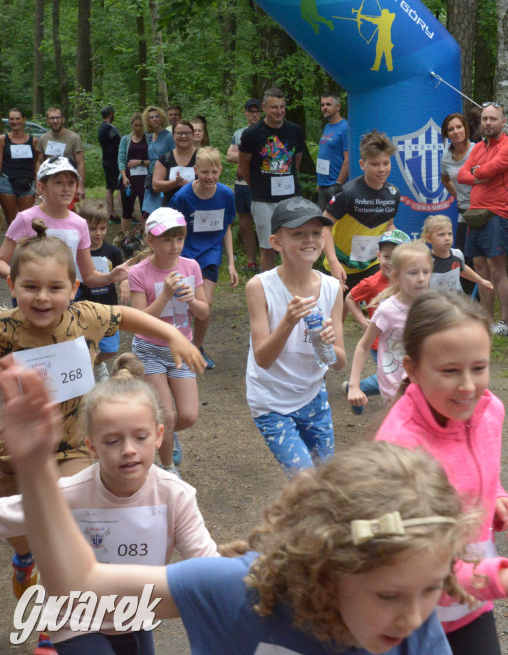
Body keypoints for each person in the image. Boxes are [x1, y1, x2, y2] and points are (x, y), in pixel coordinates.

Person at [0, 370, 470, 655]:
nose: (413, 616)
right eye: (387, 596)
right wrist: (37, 465)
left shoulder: (412, 618)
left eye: (431, 589)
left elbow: (201, 552)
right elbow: (83, 585)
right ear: (330, 564)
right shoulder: (245, 591)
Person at [0, 217, 203, 609]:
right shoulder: (4, 329)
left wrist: (174, 334)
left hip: (74, 446)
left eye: (55, 287)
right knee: (21, 526)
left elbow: (127, 317)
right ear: (12, 287)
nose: (43, 297)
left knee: (64, 529)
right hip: (11, 452)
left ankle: (53, 622)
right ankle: (24, 559)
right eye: (30, 287)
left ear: (74, 288)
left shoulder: (85, 316)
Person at [376, 290, 508, 654]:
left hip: (470, 604)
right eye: (450, 371)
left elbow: (478, 478)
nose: (468, 386)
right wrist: (504, 579)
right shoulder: (400, 447)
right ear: (412, 369)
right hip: (410, 614)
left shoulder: (488, 411)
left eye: (479, 367)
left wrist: (497, 498)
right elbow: (409, 557)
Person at [0, 352, 217, 653]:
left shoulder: (175, 495)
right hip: (75, 619)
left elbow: (210, 567)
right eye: (113, 441)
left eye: (140, 437)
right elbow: (9, 514)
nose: (128, 450)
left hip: (135, 616)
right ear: (91, 446)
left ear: (158, 436)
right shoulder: (72, 492)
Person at [246, 197, 344, 476]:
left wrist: (325, 344)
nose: (309, 240)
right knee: (304, 480)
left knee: (326, 480)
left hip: (314, 397)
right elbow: (262, 358)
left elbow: (339, 363)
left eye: (316, 233)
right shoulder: (259, 287)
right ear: (276, 242)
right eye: (298, 234)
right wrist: (288, 321)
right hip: (271, 402)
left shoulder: (332, 288)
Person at [128, 208, 210, 477]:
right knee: (167, 415)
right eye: (166, 240)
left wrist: (190, 300)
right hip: (148, 350)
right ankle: (168, 469)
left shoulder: (191, 266)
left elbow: (203, 313)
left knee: (187, 416)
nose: (174, 246)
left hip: (181, 348)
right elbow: (138, 319)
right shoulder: (138, 272)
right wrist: (164, 295)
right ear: (150, 240)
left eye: (179, 239)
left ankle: (163, 432)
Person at [0, 157, 128, 290]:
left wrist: (111, 277)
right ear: (42, 187)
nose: (66, 188)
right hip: (30, 298)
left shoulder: (79, 223)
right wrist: (23, 279)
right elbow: (1, 261)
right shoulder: (25, 219)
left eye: (71, 182)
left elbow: (89, 276)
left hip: (64, 298)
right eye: (58, 183)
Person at [169, 146, 239, 370]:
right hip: (186, 255)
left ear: (220, 170)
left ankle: (197, 347)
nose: (210, 177)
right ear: (195, 170)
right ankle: (177, 345)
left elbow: (227, 227)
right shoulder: (182, 197)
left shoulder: (226, 194)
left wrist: (231, 263)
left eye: (214, 172)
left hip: (210, 255)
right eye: (205, 172)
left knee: (205, 304)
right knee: (180, 304)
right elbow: (171, 229)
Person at [456, 103, 508, 336]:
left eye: (493, 119)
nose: (488, 123)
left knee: (497, 269)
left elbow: (486, 171)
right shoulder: (478, 148)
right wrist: (478, 173)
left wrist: (478, 172)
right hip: (475, 214)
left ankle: (506, 323)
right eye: (485, 119)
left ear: (503, 122)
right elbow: (461, 176)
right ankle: (487, 320)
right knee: (480, 268)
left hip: (497, 214)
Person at [347, 242, 431, 411]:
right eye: (413, 272)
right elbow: (363, 346)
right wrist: (354, 386)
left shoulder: (431, 307)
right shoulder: (387, 310)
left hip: (425, 387)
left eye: (426, 271)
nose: (421, 278)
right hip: (395, 391)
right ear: (397, 276)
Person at [238, 87, 308, 272]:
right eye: (274, 107)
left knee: (292, 245)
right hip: (263, 199)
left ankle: (294, 285)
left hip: (290, 198)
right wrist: (258, 186)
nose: (279, 111)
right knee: (267, 246)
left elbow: (296, 161)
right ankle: (267, 291)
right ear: (264, 108)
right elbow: (244, 166)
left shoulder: (295, 131)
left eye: (282, 107)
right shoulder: (252, 134)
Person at [342, 229, 410, 415]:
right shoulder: (372, 283)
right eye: (387, 256)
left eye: (397, 257)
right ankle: (356, 390)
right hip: (377, 341)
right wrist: (362, 319)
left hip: (403, 342)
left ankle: (356, 388)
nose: (390, 262)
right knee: (390, 376)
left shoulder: (411, 282)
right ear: (378, 256)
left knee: (396, 376)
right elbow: (350, 298)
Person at [322, 131, 401, 290]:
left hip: (372, 264)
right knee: (338, 313)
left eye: (386, 163)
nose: (381, 169)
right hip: (341, 264)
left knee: (376, 310)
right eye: (374, 164)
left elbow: (388, 226)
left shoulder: (393, 193)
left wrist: (402, 243)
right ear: (362, 164)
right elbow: (324, 226)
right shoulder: (348, 193)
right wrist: (333, 262)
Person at [76, 202, 126, 377]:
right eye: (92, 229)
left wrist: (124, 285)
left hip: (108, 305)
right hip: (82, 306)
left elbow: (123, 272)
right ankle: (85, 376)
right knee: (83, 346)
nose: (98, 233)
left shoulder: (112, 251)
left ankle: (98, 363)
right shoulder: (76, 252)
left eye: (103, 228)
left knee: (111, 349)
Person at [227, 98, 263, 274]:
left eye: (257, 111)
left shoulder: (265, 131)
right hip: (241, 184)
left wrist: (244, 156)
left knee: (264, 222)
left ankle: (266, 261)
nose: (254, 114)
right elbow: (229, 156)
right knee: (245, 224)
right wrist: (252, 157)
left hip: (261, 184)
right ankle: (251, 262)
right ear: (245, 112)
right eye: (251, 111)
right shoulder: (239, 133)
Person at [422, 214, 492, 292]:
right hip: (435, 301)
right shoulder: (426, 260)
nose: (447, 238)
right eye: (441, 234)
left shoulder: (457, 255)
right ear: (429, 238)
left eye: (450, 234)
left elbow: (463, 269)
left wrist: (481, 281)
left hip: (455, 300)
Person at [439, 113, 475, 256]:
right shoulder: (446, 159)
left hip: (484, 210)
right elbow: (445, 179)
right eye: (451, 129)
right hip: (463, 212)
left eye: (459, 127)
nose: (456, 132)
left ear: (465, 128)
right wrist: (457, 195)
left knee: (483, 260)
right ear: (446, 134)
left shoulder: (478, 149)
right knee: (463, 258)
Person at [0, 107, 42, 226]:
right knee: (12, 222)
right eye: (11, 119)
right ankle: (12, 244)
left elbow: (36, 165)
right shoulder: (3, 139)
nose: (15, 121)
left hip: (27, 182)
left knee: (27, 221)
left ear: (24, 120)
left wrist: (38, 184)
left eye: (17, 118)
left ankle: (25, 244)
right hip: (6, 181)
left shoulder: (34, 141)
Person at [36, 106, 86, 204]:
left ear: (63, 119)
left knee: (68, 213)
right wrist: (38, 183)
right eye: (52, 118)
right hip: (49, 183)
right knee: (49, 212)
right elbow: (39, 162)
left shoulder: (74, 138)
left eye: (57, 118)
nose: (55, 121)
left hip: (68, 182)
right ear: (47, 121)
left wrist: (80, 186)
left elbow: (80, 163)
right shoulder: (43, 138)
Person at [151, 121, 198, 208]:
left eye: (187, 133)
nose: (183, 136)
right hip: (171, 210)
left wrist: (189, 185)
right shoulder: (164, 159)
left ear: (193, 135)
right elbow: (156, 186)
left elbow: (211, 181)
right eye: (179, 133)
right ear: (173, 135)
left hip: (197, 207)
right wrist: (175, 183)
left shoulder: (202, 157)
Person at [316, 92, 350, 210]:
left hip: (335, 186)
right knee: (324, 225)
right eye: (322, 105)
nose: (324, 107)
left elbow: (348, 158)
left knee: (338, 226)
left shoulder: (345, 127)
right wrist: (319, 182)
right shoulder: (327, 127)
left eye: (328, 104)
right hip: (323, 185)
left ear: (338, 107)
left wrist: (338, 184)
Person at [117, 112, 148, 236]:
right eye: (136, 125)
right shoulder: (126, 139)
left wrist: (139, 162)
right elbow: (121, 158)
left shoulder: (149, 139)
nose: (138, 128)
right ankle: (125, 238)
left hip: (145, 180)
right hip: (128, 180)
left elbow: (154, 160)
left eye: (141, 125)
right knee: (127, 211)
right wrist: (124, 177)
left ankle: (146, 239)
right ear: (132, 125)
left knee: (145, 211)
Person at [140, 106, 174, 219]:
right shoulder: (150, 137)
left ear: (162, 118)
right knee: (149, 213)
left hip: (164, 177)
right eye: (151, 117)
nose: (155, 119)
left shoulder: (169, 136)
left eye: (157, 116)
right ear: (147, 121)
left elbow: (174, 157)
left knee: (162, 211)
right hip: (151, 177)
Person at [98, 105, 123, 224]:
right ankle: (125, 214)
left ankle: (111, 213)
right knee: (120, 187)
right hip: (114, 161)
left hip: (106, 160)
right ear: (111, 113)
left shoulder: (101, 127)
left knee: (109, 188)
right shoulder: (110, 128)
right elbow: (121, 140)